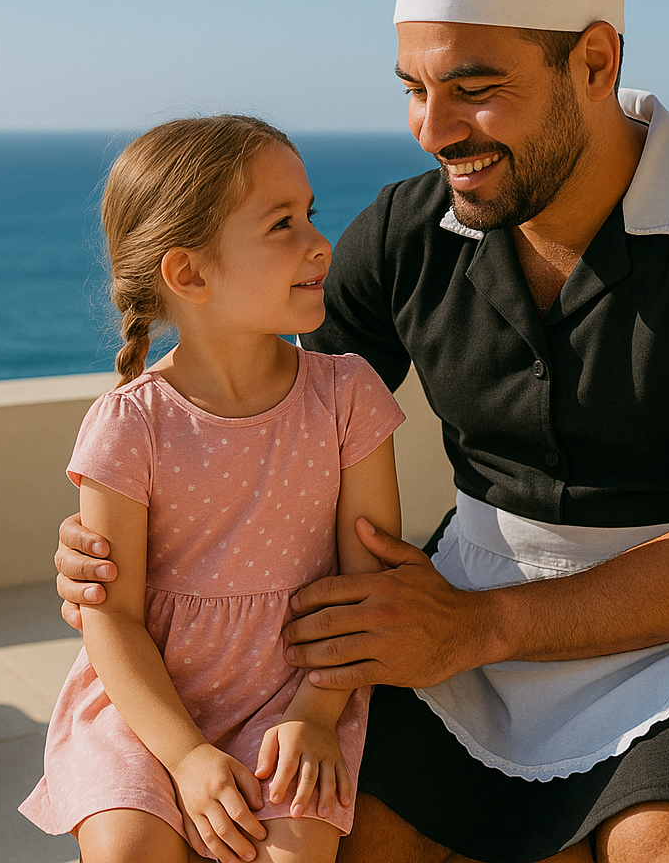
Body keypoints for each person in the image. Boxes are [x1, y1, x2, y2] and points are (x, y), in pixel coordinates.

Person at [57, 0, 669, 863]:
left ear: (595, 62)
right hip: (455, 613)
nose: (433, 130)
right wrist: (128, 546)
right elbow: (271, 418)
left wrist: (481, 628)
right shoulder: (404, 231)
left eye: (473, 87)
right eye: (413, 88)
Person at [21, 116, 405, 863]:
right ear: (190, 274)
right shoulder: (129, 425)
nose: (319, 243)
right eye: (281, 225)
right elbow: (111, 618)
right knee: (128, 852)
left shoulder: (349, 396)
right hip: (145, 709)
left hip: (298, 696)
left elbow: (369, 585)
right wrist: (187, 756)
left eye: (310, 214)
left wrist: (315, 714)